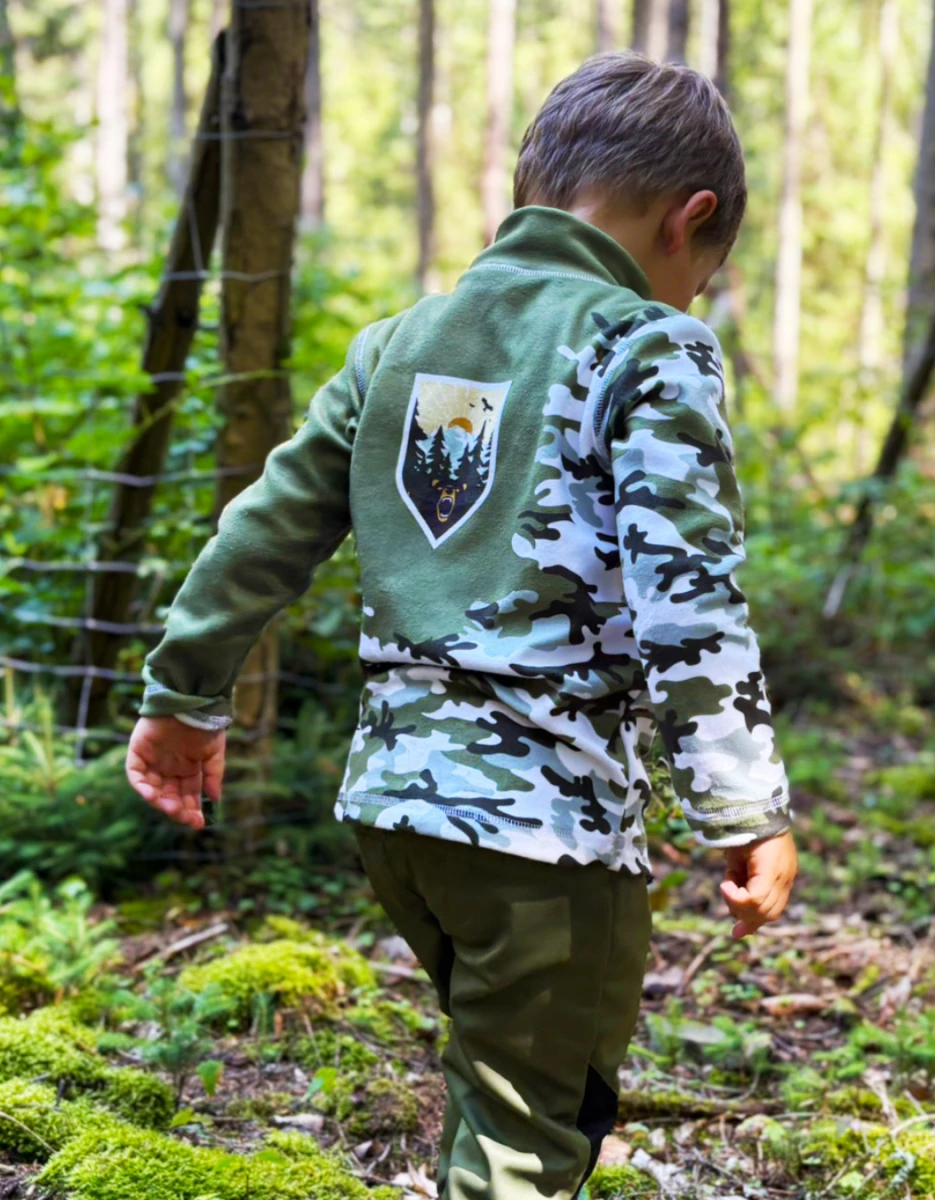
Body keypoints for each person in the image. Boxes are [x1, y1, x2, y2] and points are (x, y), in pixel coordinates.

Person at [127, 51, 799, 1200]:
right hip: (547, 832)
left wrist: (184, 697)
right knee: (532, 1137)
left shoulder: (399, 345)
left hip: (397, 813)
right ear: (689, 221)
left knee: (501, 1083)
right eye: (702, 275)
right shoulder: (650, 347)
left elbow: (264, 530)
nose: (690, 300)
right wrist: (742, 804)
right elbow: (689, 594)